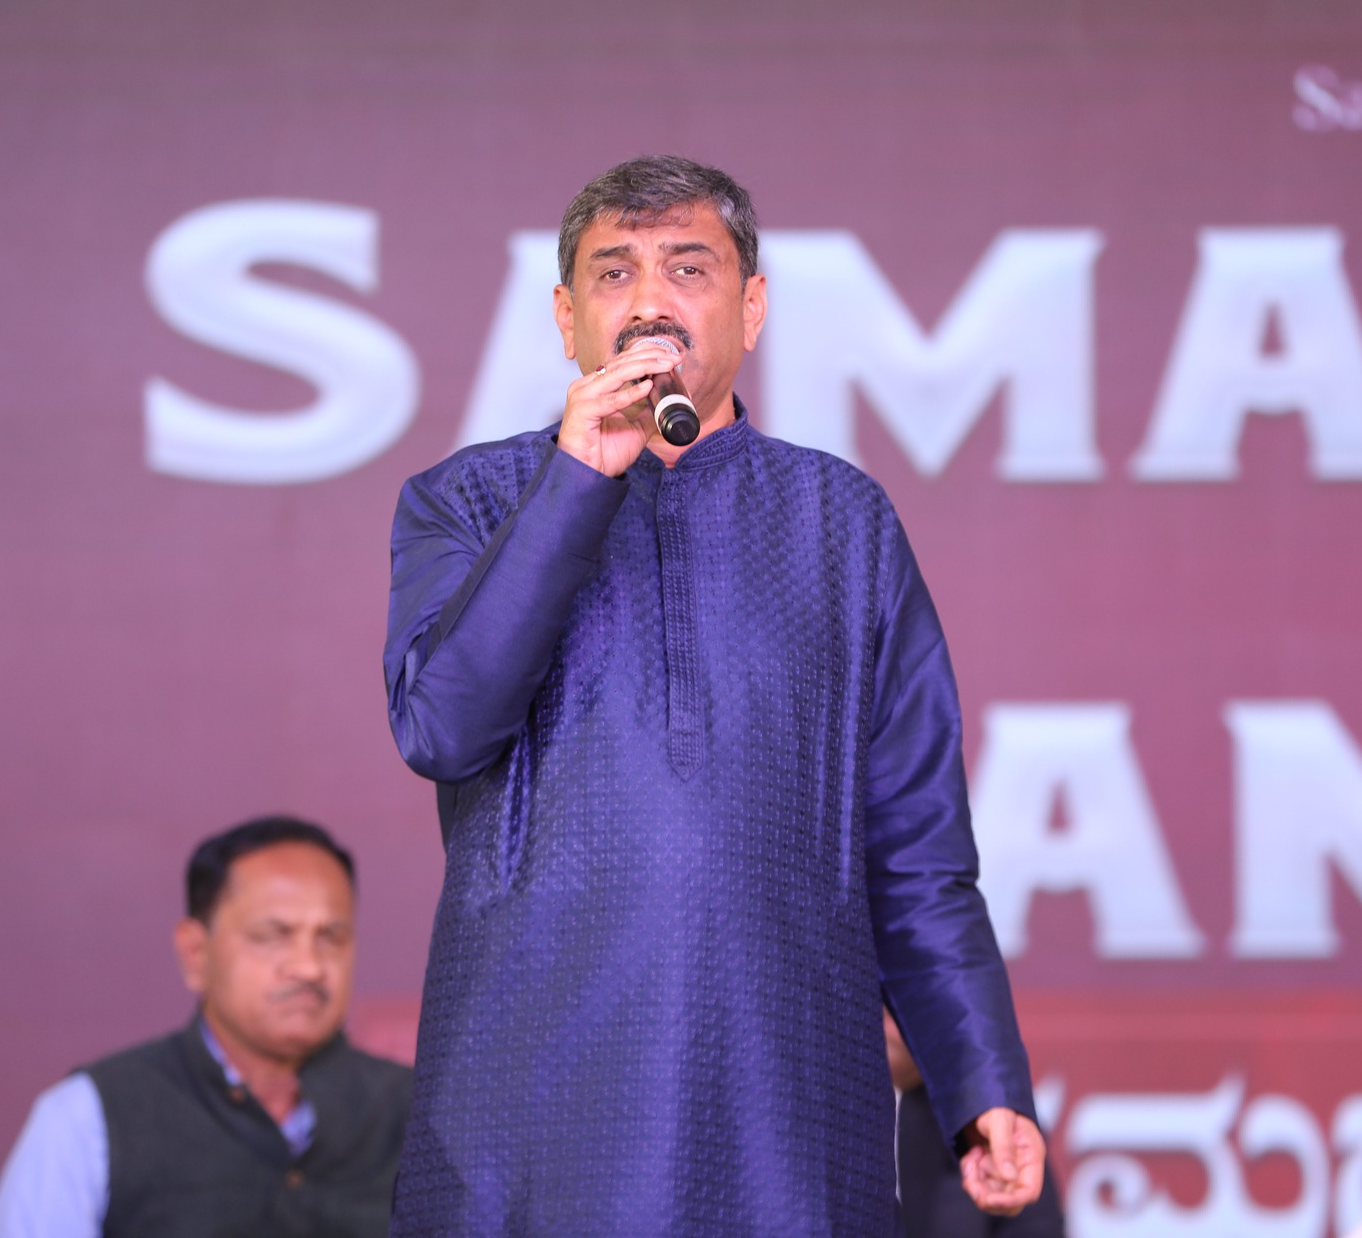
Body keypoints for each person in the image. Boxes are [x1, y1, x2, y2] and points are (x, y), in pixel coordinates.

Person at [383, 155, 1044, 1236]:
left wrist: (981, 1082)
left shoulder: (844, 525)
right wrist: (575, 480)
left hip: (786, 1116)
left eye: (688, 268)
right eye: (613, 274)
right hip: (530, 1122)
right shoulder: (467, 500)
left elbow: (917, 851)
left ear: (753, 307)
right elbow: (443, 727)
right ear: (566, 319)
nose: (649, 301)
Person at [0, 816, 412, 1238]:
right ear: (195, 953)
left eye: (331, 937)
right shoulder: (88, 1118)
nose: (309, 967)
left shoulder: (417, 1114)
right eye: (273, 935)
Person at [888, 1011, 1067, 1237]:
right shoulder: (848, 1104)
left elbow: (1036, 1226)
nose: (894, 1029)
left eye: (897, 1011)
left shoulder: (979, 1109)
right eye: (882, 1011)